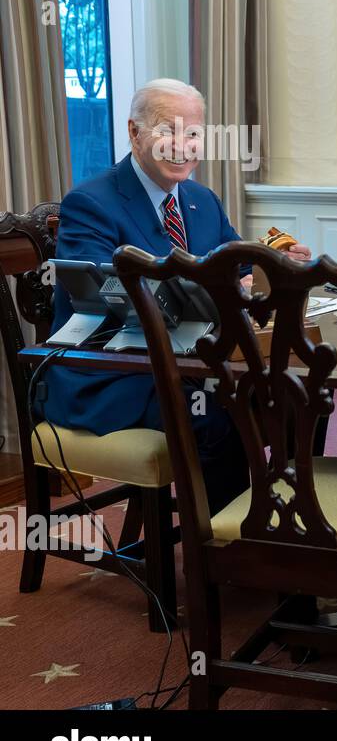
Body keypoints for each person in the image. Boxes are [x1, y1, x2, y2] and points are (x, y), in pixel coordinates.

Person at [41, 79, 313, 513]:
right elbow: (107, 298)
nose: (182, 146)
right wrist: (219, 287)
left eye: (193, 133)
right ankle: (228, 563)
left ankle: (289, 534)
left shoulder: (201, 200)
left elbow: (238, 265)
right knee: (222, 412)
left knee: (299, 398)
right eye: (168, 130)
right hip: (113, 374)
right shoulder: (90, 202)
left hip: (190, 365)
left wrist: (273, 264)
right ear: (134, 132)